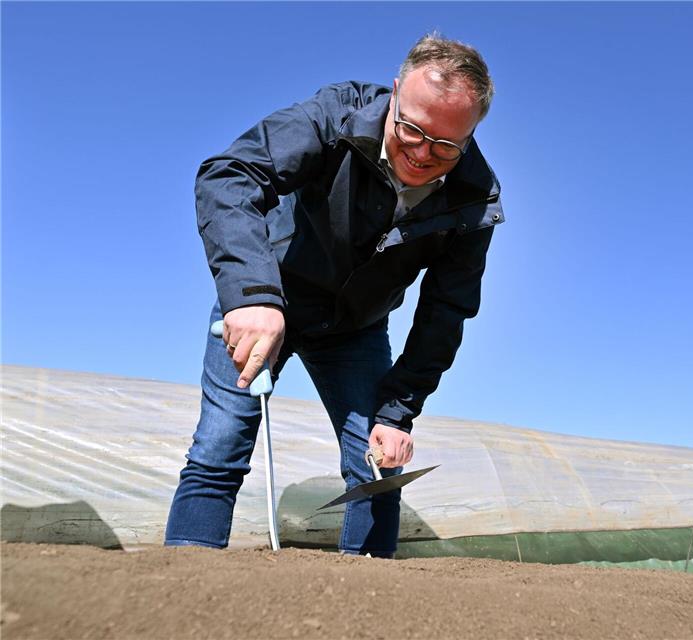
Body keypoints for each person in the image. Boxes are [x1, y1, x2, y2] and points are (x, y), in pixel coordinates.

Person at [164, 34, 502, 557]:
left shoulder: (475, 199)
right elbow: (230, 175)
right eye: (411, 128)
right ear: (394, 93)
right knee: (220, 443)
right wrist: (251, 294)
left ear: (471, 132)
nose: (421, 152)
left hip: (356, 329)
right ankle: (185, 578)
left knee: (378, 463)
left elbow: (446, 311)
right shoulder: (336, 116)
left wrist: (397, 412)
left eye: (444, 146)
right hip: (267, 301)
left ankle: (368, 603)